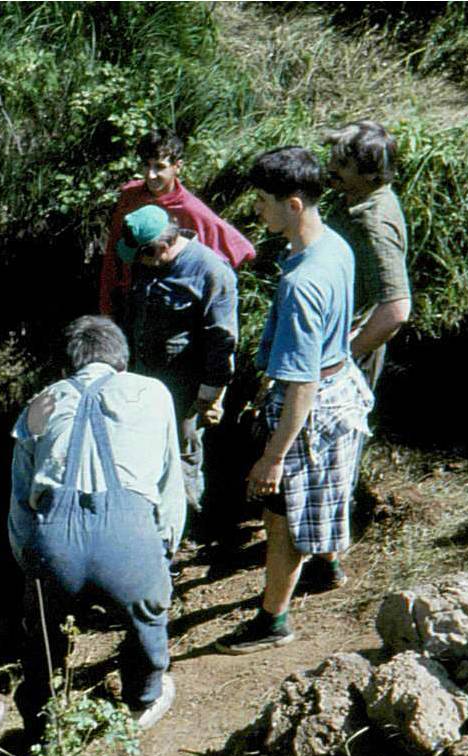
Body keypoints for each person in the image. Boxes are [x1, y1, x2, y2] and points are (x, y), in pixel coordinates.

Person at [213, 148, 373, 655]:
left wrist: (273, 457)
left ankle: (273, 621)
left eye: (263, 200)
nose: (256, 209)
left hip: (312, 405)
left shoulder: (302, 283)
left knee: (281, 513)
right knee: (329, 485)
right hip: (341, 383)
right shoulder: (334, 246)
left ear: (295, 204)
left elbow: (300, 384)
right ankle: (327, 565)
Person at [8, 315, 185, 737]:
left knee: (44, 639)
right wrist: (162, 555)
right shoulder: (153, 393)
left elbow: (19, 502)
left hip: (53, 539)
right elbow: (170, 483)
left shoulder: (39, 403)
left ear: (68, 366)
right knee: (147, 620)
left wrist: (33, 569)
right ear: (121, 360)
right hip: (129, 534)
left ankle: (40, 725)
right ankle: (143, 697)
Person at [118, 203, 238, 517]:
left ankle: (182, 528)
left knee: (183, 456)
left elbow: (223, 338)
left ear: (164, 246)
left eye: (143, 255)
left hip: (185, 390)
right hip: (143, 380)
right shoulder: (147, 260)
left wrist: (210, 395)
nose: (138, 263)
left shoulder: (210, 270)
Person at [99, 128, 254, 318]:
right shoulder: (130, 196)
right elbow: (113, 253)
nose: (151, 175)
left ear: (177, 166)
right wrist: (107, 304)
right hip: (128, 298)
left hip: (168, 306)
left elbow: (241, 250)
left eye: (159, 166)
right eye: (146, 166)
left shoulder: (191, 209)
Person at [323, 120, 411, 391]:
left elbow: (396, 310)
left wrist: (342, 358)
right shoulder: (356, 197)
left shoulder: (372, 224)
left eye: (343, 165)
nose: (331, 168)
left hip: (346, 345)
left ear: (371, 175)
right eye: (333, 159)